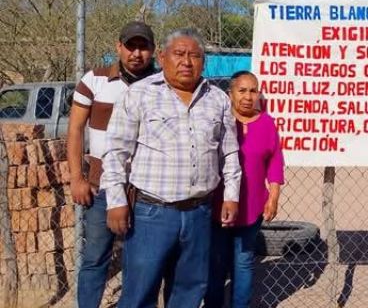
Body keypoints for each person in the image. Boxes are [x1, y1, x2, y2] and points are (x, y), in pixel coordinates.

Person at [100, 28, 242, 308]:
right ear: (163, 57)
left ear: (204, 62)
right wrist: (115, 201)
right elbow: (116, 152)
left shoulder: (218, 99)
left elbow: (230, 152)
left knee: (189, 290)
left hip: (200, 213)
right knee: (140, 292)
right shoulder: (140, 94)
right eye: (179, 54)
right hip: (151, 213)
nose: (186, 62)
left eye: (195, 55)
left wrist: (232, 196)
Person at [67, 21, 157, 308]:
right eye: (131, 46)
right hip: (101, 187)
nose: (137, 53)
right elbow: (75, 130)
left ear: (153, 51)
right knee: (95, 258)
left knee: (140, 262)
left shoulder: (160, 84)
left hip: (146, 191)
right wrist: (77, 178)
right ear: (118, 47)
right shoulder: (95, 80)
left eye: (143, 47)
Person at [205, 71, 285, 308]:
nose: (248, 96)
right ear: (230, 94)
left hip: (252, 207)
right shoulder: (220, 121)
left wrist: (273, 196)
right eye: (242, 91)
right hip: (217, 206)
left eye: (253, 91)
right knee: (216, 262)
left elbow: (275, 161)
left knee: (244, 261)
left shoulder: (267, 123)